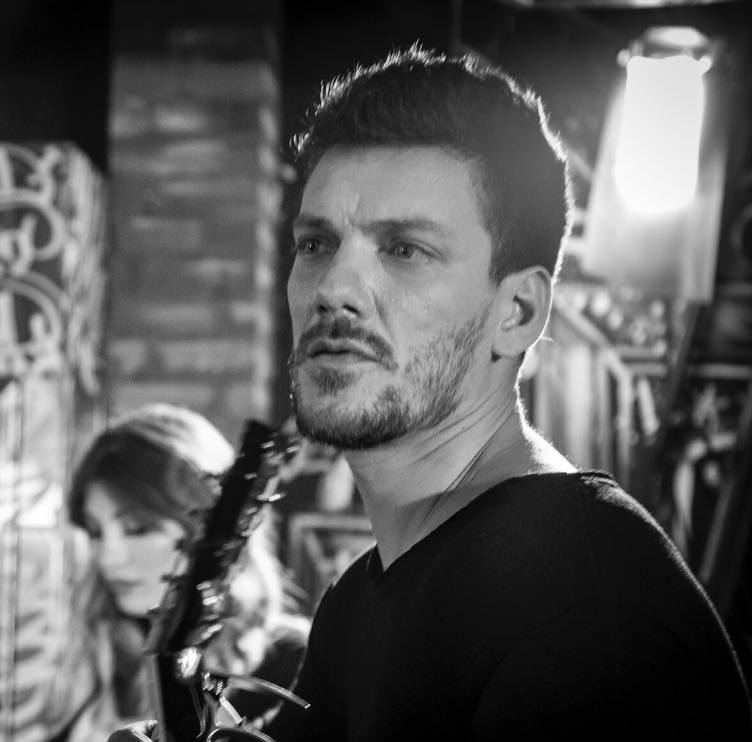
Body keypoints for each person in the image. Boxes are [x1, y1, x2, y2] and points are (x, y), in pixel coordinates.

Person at [114, 45, 752, 741]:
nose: (335, 289)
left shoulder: (586, 615)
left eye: (405, 250)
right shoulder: (361, 600)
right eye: (317, 244)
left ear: (517, 313)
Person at [64, 404, 309, 742]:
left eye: (138, 528)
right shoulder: (80, 658)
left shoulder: (298, 663)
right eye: (95, 531)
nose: (108, 556)